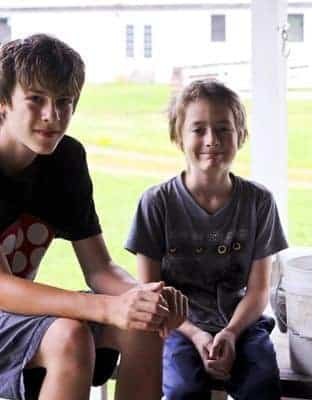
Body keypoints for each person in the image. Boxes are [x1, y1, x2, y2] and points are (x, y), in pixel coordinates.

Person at [0, 34, 187, 400]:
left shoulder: (65, 160)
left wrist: (147, 298)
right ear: (3, 102)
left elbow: (99, 268)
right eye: (35, 99)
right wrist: (107, 307)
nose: (51, 115)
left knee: (142, 323)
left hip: (11, 317)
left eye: (64, 102)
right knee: (69, 336)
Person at [126, 79, 288, 400]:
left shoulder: (259, 202)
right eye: (198, 129)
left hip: (241, 322)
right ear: (178, 137)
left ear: (240, 135)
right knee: (184, 389)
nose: (212, 140)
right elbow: (150, 293)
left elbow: (258, 291)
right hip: (177, 328)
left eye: (224, 129)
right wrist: (196, 334)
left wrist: (230, 332)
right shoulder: (156, 203)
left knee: (262, 384)